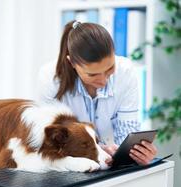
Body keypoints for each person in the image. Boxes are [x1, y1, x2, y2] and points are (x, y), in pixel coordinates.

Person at [37, 20, 157, 165]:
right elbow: (53, 142)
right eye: (92, 75)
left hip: (110, 165)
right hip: (73, 167)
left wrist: (136, 153)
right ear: (72, 63)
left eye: (110, 69)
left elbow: (127, 131)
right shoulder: (51, 78)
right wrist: (97, 150)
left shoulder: (126, 72)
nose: (103, 81)